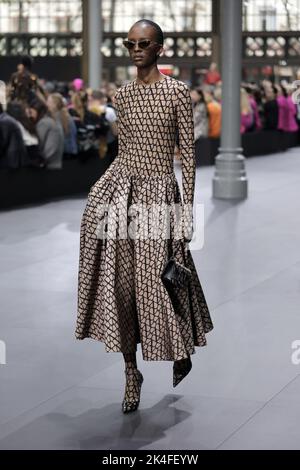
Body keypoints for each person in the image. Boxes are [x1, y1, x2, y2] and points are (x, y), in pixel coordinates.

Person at [75, 19, 213, 414]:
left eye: (144, 43)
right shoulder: (123, 94)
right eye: (131, 43)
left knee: (162, 277)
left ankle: (181, 345)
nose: (137, 49)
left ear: (160, 48)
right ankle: (130, 373)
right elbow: (124, 151)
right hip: (123, 188)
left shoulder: (177, 92)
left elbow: (187, 156)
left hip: (158, 193)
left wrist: (186, 211)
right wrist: (101, 191)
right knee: (123, 283)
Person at [28, 95, 64, 169]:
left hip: (48, 166)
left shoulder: (44, 123)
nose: (30, 115)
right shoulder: (50, 120)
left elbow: (39, 144)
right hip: (55, 164)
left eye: (31, 111)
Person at [47, 92, 78, 157]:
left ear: (55, 104)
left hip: (63, 155)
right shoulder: (67, 116)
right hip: (72, 153)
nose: (47, 104)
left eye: (49, 102)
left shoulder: (55, 118)